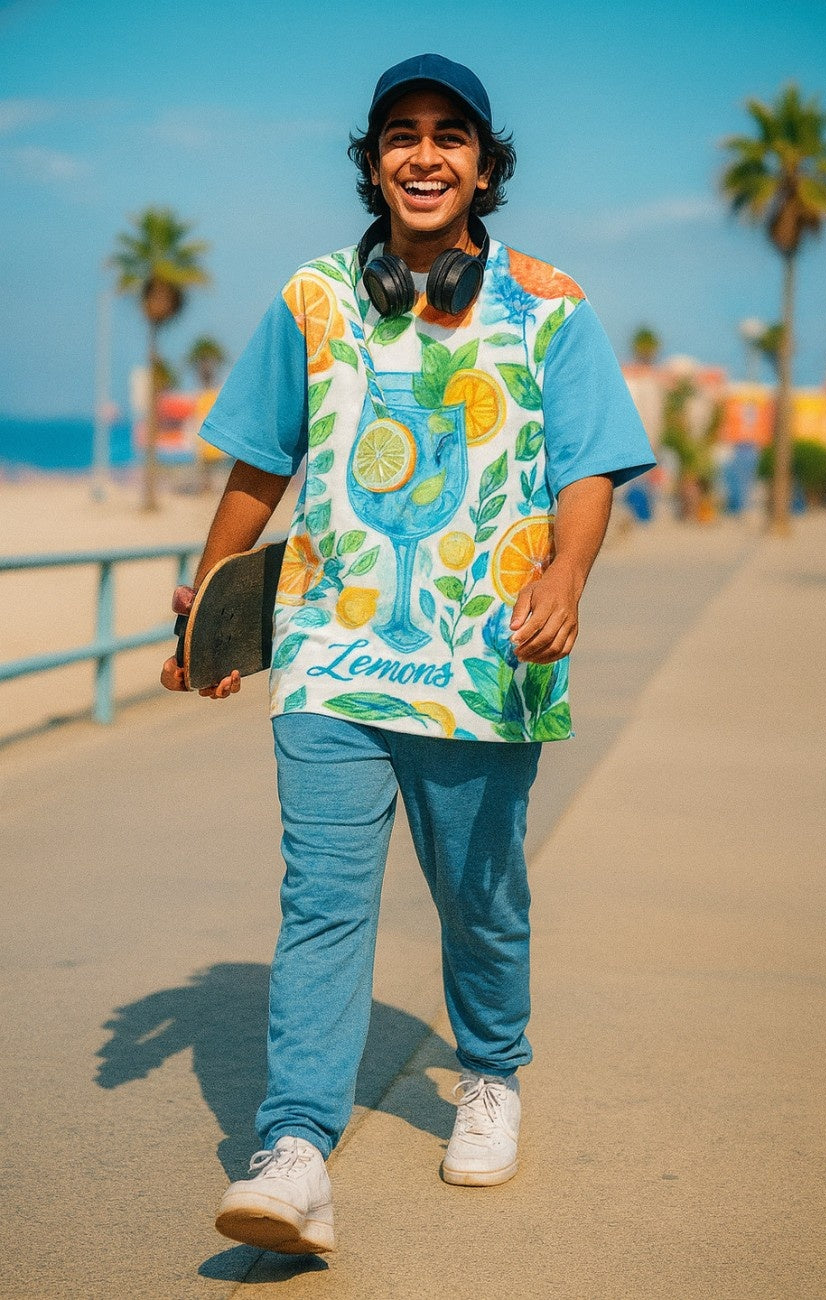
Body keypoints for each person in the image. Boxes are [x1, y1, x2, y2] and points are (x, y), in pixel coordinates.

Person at [161, 53, 655, 1256]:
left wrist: (565, 576)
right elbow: (260, 465)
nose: (423, 153)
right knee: (323, 904)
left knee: (480, 899)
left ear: (485, 167)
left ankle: (490, 1070)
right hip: (332, 650)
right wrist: (212, 606)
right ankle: (294, 1151)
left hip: (486, 660)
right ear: (373, 160)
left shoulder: (551, 306)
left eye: (449, 135)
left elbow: (587, 468)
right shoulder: (316, 299)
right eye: (400, 134)